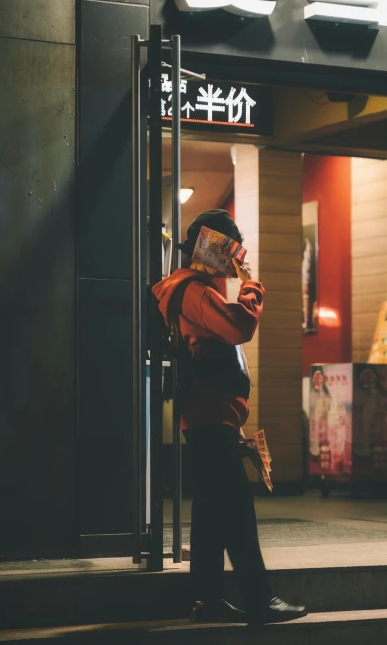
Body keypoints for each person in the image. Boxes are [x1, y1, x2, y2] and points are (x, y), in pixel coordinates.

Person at [152, 209, 307, 625]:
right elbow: (239, 327)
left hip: (210, 414)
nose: (233, 260)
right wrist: (251, 287)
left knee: (211, 511)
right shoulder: (194, 291)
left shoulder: (191, 288)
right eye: (230, 250)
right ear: (210, 245)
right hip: (209, 413)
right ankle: (260, 599)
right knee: (237, 506)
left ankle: (207, 600)